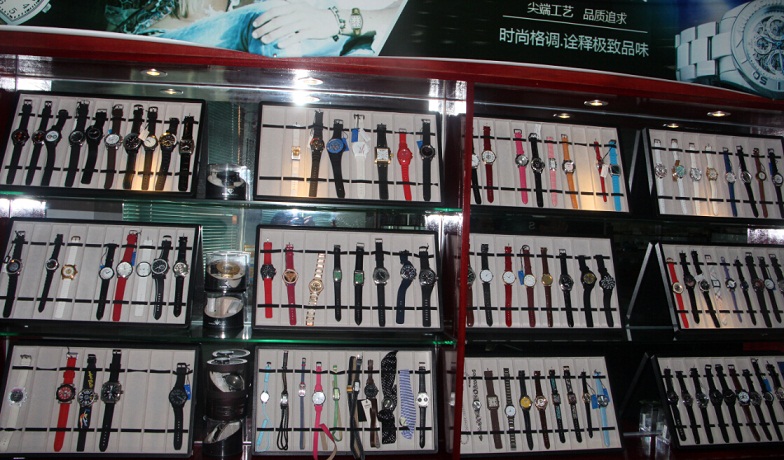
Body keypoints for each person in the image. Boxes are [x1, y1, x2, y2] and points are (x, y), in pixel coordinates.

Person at [105, 0, 405, 57]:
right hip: (158, 46)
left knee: (358, 52)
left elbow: (397, 15)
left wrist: (336, 20)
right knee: (267, 18)